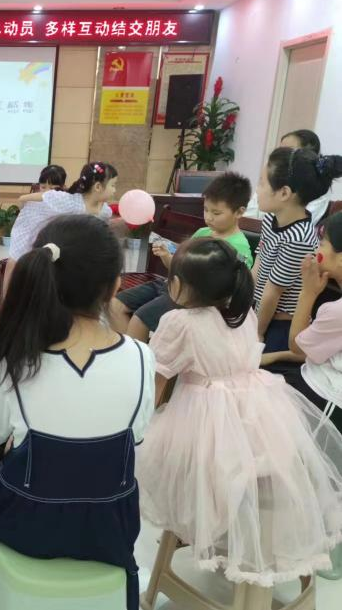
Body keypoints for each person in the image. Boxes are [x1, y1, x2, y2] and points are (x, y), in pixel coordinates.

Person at [0, 215, 155, 610]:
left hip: (28, 523)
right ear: (116, 285)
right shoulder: (142, 357)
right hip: (108, 528)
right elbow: (131, 440)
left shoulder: (8, 358)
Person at [136, 237, 342, 586]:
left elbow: (156, 384)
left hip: (206, 422)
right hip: (261, 419)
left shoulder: (178, 322)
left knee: (163, 460)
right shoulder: (243, 313)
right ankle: (219, 524)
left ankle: (199, 523)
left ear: (179, 285)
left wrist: (141, 429)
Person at [111, 172, 253, 341]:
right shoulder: (203, 232)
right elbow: (181, 268)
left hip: (190, 297)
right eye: (206, 209)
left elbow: (227, 291)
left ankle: (138, 354)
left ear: (239, 212)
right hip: (170, 284)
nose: (208, 217)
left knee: (139, 321)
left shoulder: (238, 248)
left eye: (216, 213)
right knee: (114, 306)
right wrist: (166, 256)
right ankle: (136, 349)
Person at [253, 148, 340, 352]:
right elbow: (258, 266)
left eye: (262, 183)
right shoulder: (270, 219)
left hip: (279, 324)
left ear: (284, 193)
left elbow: (273, 293)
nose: (257, 190)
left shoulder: (298, 239)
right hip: (259, 310)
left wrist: (257, 333)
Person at [3, 162, 116, 289]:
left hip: (52, 239)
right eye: (43, 186)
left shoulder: (69, 200)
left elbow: (105, 219)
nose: (48, 191)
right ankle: (7, 297)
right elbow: (34, 197)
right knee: (15, 263)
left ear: (63, 187)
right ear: (98, 187)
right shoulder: (56, 200)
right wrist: (23, 201)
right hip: (28, 232)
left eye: (53, 188)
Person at [287, 212, 342, 431]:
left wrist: (308, 293)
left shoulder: (336, 311)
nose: (316, 250)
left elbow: (297, 346)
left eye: (322, 243)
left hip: (324, 397)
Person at [246, 130, 335, 226]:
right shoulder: (272, 174)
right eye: (280, 150)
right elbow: (249, 213)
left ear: (306, 156)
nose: (281, 155)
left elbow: (293, 221)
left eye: (288, 150)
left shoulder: (316, 189)